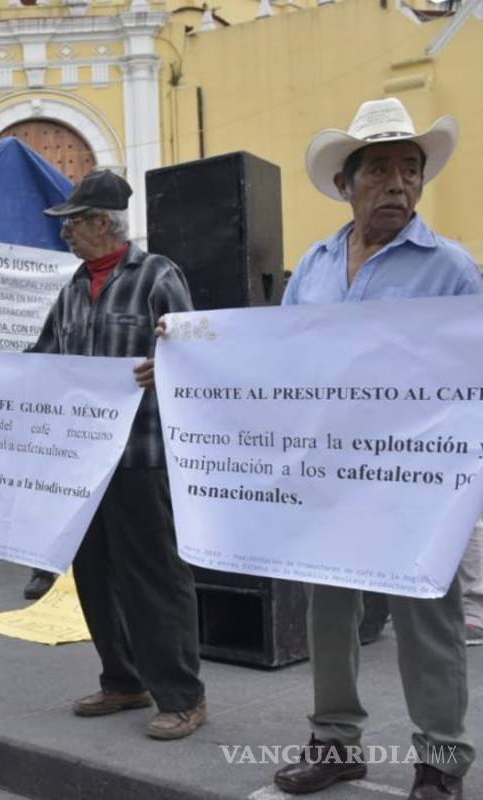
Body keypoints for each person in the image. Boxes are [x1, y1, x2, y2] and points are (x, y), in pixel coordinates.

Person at [269, 98, 477, 800]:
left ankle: (441, 761)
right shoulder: (316, 267)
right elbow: (280, 357)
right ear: (345, 184)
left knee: (427, 617)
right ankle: (335, 744)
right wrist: (185, 359)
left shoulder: (451, 269)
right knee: (329, 611)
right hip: (331, 475)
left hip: (417, 479)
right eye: (380, 169)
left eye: (410, 169)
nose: (398, 183)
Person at [33, 169, 205, 739]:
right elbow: (40, 362)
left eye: (73, 225)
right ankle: (123, 679)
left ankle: (182, 695)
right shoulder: (72, 290)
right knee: (95, 573)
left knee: (155, 576)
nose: (65, 236)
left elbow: (193, 349)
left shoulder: (157, 276)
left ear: (103, 223)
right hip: (85, 463)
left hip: (142, 456)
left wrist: (171, 369)